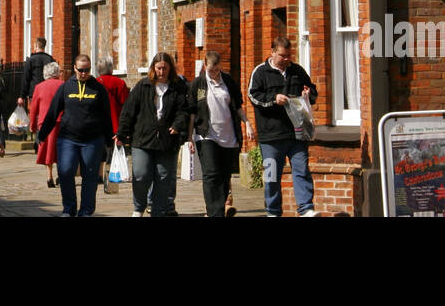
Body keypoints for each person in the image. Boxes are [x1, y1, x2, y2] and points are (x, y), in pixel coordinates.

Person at [248, 37, 319, 217]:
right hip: (271, 136)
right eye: (282, 56)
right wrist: (274, 99)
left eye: (289, 56)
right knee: (272, 177)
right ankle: (273, 211)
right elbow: (253, 96)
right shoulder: (260, 72)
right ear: (272, 52)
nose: (286, 59)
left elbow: (312, 92)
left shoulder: (297, 71)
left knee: (302, 170)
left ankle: (306, 209)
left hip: (297, 133)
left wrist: (308, 94)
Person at [36, 54, 113, 217]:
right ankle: (69, 208)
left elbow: (106, 115)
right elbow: (52, 112)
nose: (84, 73)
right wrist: (42, 134)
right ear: (74, 69)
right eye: (80, 70)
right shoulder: (66, 87)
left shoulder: (98, 88)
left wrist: (109, 140)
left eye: (87, 70)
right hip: (68, 139)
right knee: (65, 172)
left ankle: (85, 210)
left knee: (90, 177)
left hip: (92, 140)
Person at [116, 52, 188, 217]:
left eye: (165, 68)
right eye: (159, 68)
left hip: (167, 140)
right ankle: (139, 207)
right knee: (141, 174)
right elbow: (128, 110)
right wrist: (121, 133)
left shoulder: (178, 87)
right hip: (142, 138)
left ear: (170, 69)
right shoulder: (143, 85)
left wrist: (178, 125)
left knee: (163, 177)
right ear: (153, 68)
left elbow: (184, 110)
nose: (162, 71)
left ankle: (158, 210)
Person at [188, 50, 253, 217]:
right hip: (206, 134)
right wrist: (189, 138)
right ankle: (215, 212)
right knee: (211, 174)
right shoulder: (198, 84)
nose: (214, 74)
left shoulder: (228, 81)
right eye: (211, 70)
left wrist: (247, 123)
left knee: (225, 175)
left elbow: (238, 105)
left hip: (228, 135)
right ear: (205, 66)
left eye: (217, 70)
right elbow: (192, 112)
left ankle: (219, 207)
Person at [28, 62, 64, 188]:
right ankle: (61, 175)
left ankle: (49, 176)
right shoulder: (63, 85)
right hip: (61, 122)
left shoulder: (39, 87)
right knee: (61, 150)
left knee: (48, 150)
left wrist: (32, 124)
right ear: (57, 72)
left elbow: (34, 108)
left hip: (45, 124)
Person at [19, 37, 55, 110]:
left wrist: (22, 96)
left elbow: (25, 78)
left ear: (36, 46)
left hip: (34, 92)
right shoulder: (50, 59)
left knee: (35, 115)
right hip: (47, 92)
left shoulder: (31, 60)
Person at [96, 57, 129, 133]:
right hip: (116, 123)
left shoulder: (95, 83)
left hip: (99, 125)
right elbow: (126, 105)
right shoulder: (120, 83)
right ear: (111, 68)